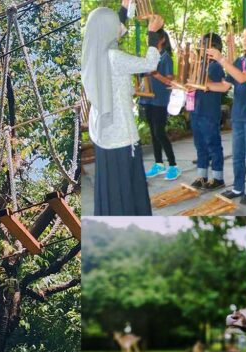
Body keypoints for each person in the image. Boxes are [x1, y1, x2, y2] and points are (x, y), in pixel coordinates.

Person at [81, 1, 163, 215]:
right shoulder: (114, 57)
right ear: (108, 29)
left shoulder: (93, 55)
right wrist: (152, 34)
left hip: (103, 134)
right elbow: (150, 64)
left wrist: (125, 8)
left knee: (110, 187)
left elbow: (115, 31)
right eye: (114, 23)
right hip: (121, 136)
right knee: (126, 189)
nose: (119, 27)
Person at [208, 23, 246, 205]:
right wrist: (203, 85)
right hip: (238, 114)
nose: (245, 40)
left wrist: (221, 59)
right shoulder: (240, 60)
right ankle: (238, 187)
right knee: (237, 154)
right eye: (244, 36)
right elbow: (225, 86)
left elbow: (242, 78)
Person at [189, 32, 229, 191]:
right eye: (201, 44)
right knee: (199, 144)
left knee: (213, 144)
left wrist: (197, 68)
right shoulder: (202, 63)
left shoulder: (215, 66)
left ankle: (218, 177)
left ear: (214, 47)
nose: (201, 47)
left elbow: (210, 83)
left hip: (209, 112)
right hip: (197, 109)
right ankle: (202, 175)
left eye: (204, 45)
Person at [142, 29, 179, 181]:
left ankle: (173, 165)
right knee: (153, 133)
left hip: (160, 100)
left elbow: (169, 81)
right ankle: (158, 164)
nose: (148, 39)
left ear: (162, 39)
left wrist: (155, 74)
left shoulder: (166, 57)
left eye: (152, 37)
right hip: (148, 99)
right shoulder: (150, 56)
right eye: (148, 37)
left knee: (159, 132)